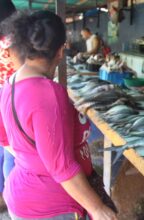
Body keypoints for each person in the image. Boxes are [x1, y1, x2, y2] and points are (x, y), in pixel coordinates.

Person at [0, 11, 117, 220]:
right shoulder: (48, 93)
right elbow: (61, 167)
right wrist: (98, 209)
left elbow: (4, 136)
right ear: (61, 51)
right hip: (51, 207)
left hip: (22, 195)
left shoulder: (10, 83)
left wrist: (32, 161)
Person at [0, 0, 18, 212]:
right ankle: (10, 195)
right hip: (12, 96)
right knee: (14, 150)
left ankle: (3, 193)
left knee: (3, 148)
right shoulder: (13, 39)